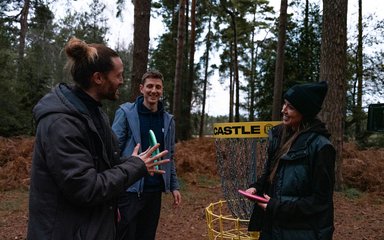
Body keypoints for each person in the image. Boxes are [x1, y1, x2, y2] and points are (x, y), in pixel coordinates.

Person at [27, 37, 169, 240]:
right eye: (118, 75)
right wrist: (135, 166)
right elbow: (86, 188)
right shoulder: (61, 123)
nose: (122, 81)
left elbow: (101, 166)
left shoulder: (93, 112)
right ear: (98, 78)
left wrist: (134, 162)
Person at [246, 81, 336, 240]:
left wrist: (278, 207)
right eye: (284, 104)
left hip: (301, 232)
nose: (283, 110)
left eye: (291, 107)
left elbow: (320, 201)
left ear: (305, 112)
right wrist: (257, 187)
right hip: (272, 227)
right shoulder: (279, 137)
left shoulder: (321, 147)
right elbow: (272, 175)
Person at [112, 70, 182, 240]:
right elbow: (112, 151)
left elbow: (169, 155)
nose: (154, 90)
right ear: (141, 88)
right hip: (129, 190)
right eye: (150, 86)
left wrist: (173, 185)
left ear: (162, 91)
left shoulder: (167, 120)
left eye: (158, 87)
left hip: (154, 192)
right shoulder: (126, 113)